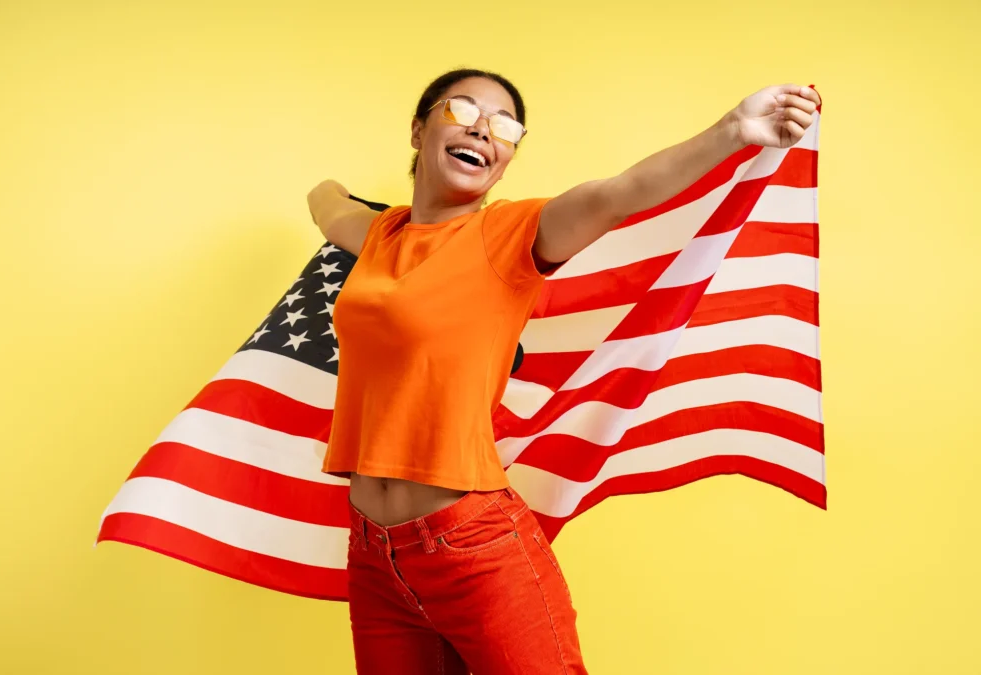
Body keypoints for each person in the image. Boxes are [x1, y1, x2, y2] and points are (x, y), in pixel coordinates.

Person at [307, 68, 820, 675]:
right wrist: (332, 189)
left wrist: (734, 129)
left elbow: (617, 193)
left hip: (472, 548)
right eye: (462, 110)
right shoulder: (381, 237)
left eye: (503, 126)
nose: (482, 130)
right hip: (373, 555)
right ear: (419, 130)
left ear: (506, 159)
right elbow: (324, 204)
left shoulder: (508, 234)